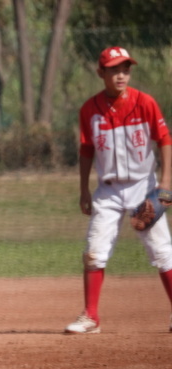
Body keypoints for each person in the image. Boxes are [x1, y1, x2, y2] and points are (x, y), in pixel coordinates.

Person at [65, 46, 172, 334]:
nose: (121, 74)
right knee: (94, 252)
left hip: (143, 186)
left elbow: (164, 139)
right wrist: (84, 190)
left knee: (162, 252)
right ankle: (91, 317)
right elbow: (86, 149)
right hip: (108, 190)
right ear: (101, 73)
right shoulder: (89, 109)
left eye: (125, 68)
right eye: (114, 69)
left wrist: (166, 183)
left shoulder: (145, 102)